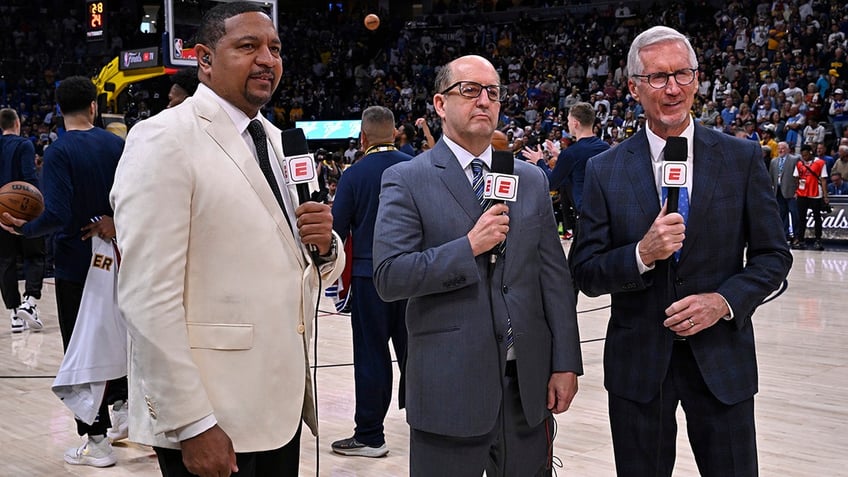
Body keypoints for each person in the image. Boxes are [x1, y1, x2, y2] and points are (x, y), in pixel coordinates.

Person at [109, 3, 343, 477]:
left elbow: (298, 261)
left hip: (279, 410)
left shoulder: (279, 141)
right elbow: (147, 297)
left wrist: (326, 247)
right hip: (214, 414)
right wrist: (191, 422)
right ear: (205, 59)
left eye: (275, 49)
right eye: (248, 46)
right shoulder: (164, 139)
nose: (267, 59)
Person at [571, 26, 792, 477]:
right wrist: (640, 254)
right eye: (657, 78)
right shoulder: (603, 170)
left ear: (696, 78)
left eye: (682, 74)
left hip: (721, 358)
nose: (672, 88)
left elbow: (774, 256)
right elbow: (587, 272)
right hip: (639, 365)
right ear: (633, 87)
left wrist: (723, 302)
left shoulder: (742, 158)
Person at [372, 55, 582, 476]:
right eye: (469, 90)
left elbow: (553, 279)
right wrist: (466, 248)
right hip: (449, 386)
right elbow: (389, 276)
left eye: (493, 92)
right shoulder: (407, 178)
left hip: (526, 387)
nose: (484, 100)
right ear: (439, 103)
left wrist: (565, 361)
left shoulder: (531, 178)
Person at [0, 76, 128, 467]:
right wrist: (114, 220)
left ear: (58, 111)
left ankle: (97, 441)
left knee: (81, 349)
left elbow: (55, 213)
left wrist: (23, 227)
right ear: (94, 107)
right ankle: (124, 414)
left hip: (79, 262)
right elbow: (136, 197)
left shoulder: (59, 151)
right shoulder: (117, 144)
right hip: (121, 256)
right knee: (121, 339)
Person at [330, 105, 412, 458]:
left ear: (362, 138)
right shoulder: (417, 167)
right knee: (418, 354)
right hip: (415, 276)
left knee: (371, 355)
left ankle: (370, 436)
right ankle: (431, 426)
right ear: (395, 133)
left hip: (370, 277)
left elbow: (335, 231)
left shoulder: (353, 174)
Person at [0, 108, 45, 333]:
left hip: (1, 213)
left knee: (6, 262)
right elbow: (29, 179)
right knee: (35, 255)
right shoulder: (24, 144)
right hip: (24, 212)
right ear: (17, 122)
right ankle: (29, 301)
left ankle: (14, 314)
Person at [794, 144, 829, 251]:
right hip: (802, 193)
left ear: (810, 152)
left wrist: (825, 195)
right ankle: (801, 240)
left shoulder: (820, 163)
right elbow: (796, 177)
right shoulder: (799, 163)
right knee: (801, 218)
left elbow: (823, 180)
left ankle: (818, 240)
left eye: (805, 155)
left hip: (816, 193)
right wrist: (797, 189)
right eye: (802, 155)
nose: (804, 157)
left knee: (817, 218)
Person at [770, 142, 801, 246]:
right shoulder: (774, 161)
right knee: (782, 215)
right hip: (778, 192)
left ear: (788, 149)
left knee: (794, 214)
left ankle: (796, 236)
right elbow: (771, 177)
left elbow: (798, 177)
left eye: (783, 148)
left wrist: (797, 190)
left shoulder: (794, 159)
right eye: (779, 148)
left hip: (791, 192)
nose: (780, 150)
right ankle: (785, 236)